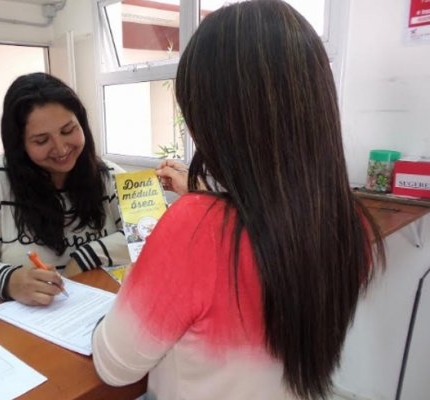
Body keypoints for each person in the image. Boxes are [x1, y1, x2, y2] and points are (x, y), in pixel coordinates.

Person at [92, 1, 385, 399]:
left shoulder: (196, 228)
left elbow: (114, 367)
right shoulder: (347, 220)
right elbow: (266, 226)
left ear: (218, 119)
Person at [0, 72, 130, 314]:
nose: (61, 148)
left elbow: (149, 235)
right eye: (41, 140)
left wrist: (87, 255)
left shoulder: (108, 176)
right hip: (3, 319)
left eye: (68, 130)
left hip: (81, 311)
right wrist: (10, 281)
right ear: (20, 144)